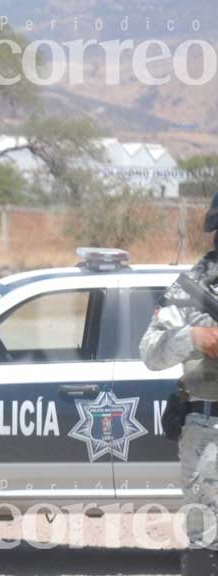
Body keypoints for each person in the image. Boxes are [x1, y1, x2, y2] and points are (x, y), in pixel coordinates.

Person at [141, 191, 218, 575]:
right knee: (205, 544)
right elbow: (151, 353)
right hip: (208, 433)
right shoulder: (193, 290)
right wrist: (194, 339)